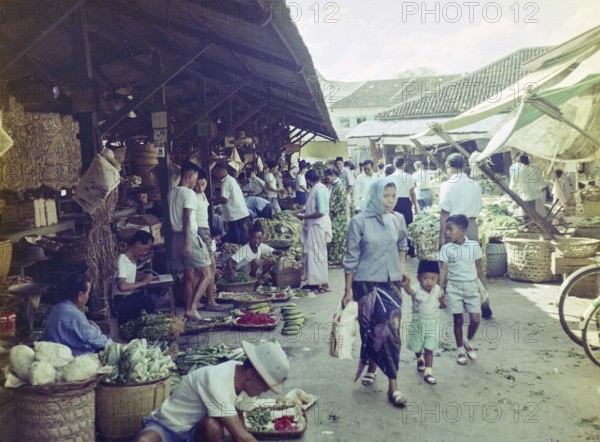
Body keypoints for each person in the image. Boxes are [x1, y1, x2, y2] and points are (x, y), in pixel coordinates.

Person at [134, 340, 290, 442]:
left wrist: (245, 435)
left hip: (195, 431)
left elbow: (240, 423)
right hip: (167, 426)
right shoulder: (216, 379)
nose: (262, 392)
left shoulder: (245, 383)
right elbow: (241, 436)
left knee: (213, 425)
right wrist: (243, 436)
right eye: (264, 387)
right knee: (144, 441)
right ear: (252, 374)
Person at [342, 177, 410, 408]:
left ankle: (393, 385)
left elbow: (403, 244)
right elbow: (350, 258)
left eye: (393, 196)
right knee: (370, 331)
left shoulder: (398, 219)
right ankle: (371, 366)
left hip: (391, 283)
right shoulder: (358, 221)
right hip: (365, 284)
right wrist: (346, 290)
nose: (390, 201)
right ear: (375, 195)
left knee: (391, 331)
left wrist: (402, 268)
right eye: (385, 195)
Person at [439, 153, 490, 319]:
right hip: (471, 226)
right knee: (476, 267)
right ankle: (485, 303)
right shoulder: (475, 184)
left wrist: (442, 237)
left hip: (453, 227)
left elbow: (444, 213)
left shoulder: (447, 185)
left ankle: (453, 304)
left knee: (451, 266)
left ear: (450, 167)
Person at [439, 214, 486, 366]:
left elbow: (479, 266)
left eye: (450, 229)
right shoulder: (446, 249)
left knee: (475, 319)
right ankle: (460, 350)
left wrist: (481, 287)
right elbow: (443, 269)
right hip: (454, 287)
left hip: (472, 286)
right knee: (458, 320)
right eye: (446, 230)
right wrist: (440, 289)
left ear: (462, 230)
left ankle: (468, 341)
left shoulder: (473, 246)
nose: (447, 233)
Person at [168, 161, 212, 321]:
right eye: (195, 178)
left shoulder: (171, 193)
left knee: (188, 276)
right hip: (188, 237)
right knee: (207, 274)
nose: (196, 182)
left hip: (175, 238)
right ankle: (192, 308)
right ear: (190, 176)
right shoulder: (188, 194)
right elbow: (186, 218)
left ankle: (188, 308)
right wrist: (188, 243)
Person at [43, 272, 111, 356]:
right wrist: (112, 344)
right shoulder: (74, 314)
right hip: (75, 359)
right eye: (88, 293)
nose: (88, 296)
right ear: (80, 295)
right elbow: (96, 339)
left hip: (56, 356)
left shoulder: (56, 309)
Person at [402, 260, 445, 385]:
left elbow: (442, 299)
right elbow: (410, 291)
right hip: (418, 324)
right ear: (418, 278)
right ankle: (419, 358)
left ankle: (428, 372)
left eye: (433, 278)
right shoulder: (416, 288)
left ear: (437, 278)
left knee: (429, 348)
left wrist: (443, 303)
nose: (429, 281)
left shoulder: (437, 290)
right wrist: (406, 286)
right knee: (417, 346)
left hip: (433, 323)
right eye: (425, 278)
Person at [114, 230, 161, 324]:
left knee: (157, 290)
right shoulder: (122, 259)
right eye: (145, 249)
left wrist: (143, 276)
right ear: (138, 244)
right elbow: (122, 287)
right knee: (150, 301)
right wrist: (143, 282)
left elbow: (130, 276)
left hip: (131, 297)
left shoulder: (132, 259)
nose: (145, 253)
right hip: (122, 302)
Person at [297, 169, 332, 293]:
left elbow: (321, 212)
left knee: (318, 255)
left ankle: (322, 283)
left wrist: (304, 217)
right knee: (313, 254)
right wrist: (301, 212)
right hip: (315, 225)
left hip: (318, 225)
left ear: (308, 181)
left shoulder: (319, 190)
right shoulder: (318, 188)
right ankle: (314, 282)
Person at [194, 171, 224, 312]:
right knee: (210, 268)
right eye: (198, 184)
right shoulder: (192, 195)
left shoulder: (203, 195)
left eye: (203, 184)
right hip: (199, 231)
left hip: (205, 230)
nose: (201, 187)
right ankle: (210, 301)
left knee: (206, 269)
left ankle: (205, 299)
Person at [212, 163, 250, 245]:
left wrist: (214, 200)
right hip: (240, 212)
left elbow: (225, 200)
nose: (216, 176)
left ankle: (240, 251)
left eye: (216, 173)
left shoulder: (225, 182)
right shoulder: (232, 179)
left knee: (237, 237)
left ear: (221, 171)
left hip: (235, 214)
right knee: (239, 234)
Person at [392, 156, 418, 255]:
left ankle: (396, 249)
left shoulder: (390, 177)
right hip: (406, 202)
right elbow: (412, 193)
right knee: (408, 225)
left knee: (395, 226)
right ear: (404, 164)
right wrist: (415, 206)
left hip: (394, 203)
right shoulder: (409, 176)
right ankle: (410, 249)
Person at [509, 153, 547, 218]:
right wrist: (538, 192)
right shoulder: (536, 171)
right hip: (536, 199)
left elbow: (511, 189)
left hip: (524, 200)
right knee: (541, 221)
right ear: (528, 162)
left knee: (526, 222)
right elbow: (544, 186)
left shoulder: (516, 174)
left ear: (519, 163)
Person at [324, 168, 348, 266]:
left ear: (334, 175)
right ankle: (335, 259)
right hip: (335, 217)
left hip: (339, 218)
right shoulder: (334, 185)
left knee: (338, 238)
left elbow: (342, 201)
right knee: (335, 237)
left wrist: (333, 209)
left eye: (329, 176)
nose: (327, 178)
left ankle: (339, 260)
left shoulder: (339, 186)